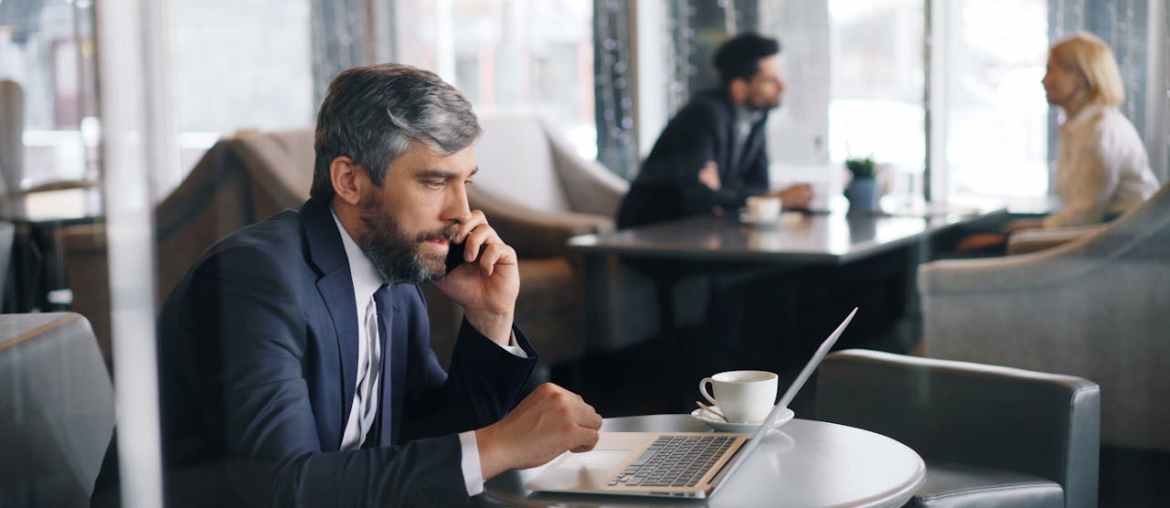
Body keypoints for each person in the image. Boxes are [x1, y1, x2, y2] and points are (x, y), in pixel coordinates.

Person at [92, 64, 602, 507]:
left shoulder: (393, 274)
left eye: (464, 182)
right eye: (433, 182)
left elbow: (423, 445)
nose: (461, 214)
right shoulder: (255, 279)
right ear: (350, 181)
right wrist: (501, 444)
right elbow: (280, 488)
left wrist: (490, 322)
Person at [959, 32, 1160, 252]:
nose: (1044, 80)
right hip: (1106, 238)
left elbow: (1086, 214)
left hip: (1120, 247)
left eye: (1051, 69)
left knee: (979, 247)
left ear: (1081, 76)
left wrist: (1025, 232)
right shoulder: (1082, 127)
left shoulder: (1102, 131)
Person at [616, 32, 811, 229]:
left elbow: (759, 186)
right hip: (652, 229)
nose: (781, 86)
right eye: (770, 80)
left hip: (699, 228)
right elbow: (699, 196)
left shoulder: (756, 116)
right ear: (739, 87)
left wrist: (724, 191)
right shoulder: (704, 114)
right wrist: (772, 198)